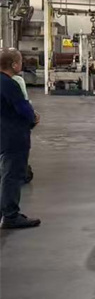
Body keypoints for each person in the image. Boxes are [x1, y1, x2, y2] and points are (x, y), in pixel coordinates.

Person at [0, 47, 40, 229]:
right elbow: (23, 108)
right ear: (14, 64)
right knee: (12, 176)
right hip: (13, 137)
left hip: (3, 134)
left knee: (5, 174)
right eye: (20, 61)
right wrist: (33, 117)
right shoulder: (10, 84)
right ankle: (11, 216)